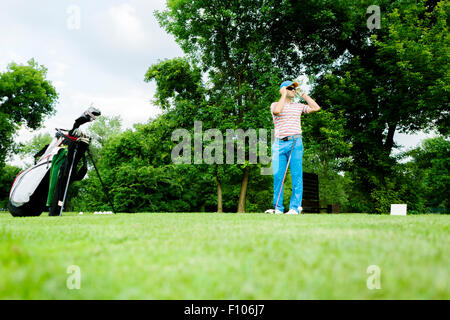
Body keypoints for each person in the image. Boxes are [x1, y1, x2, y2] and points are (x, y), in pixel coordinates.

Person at [265, 80, 321, 215]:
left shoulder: (298, 106)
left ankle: (294, 208)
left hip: (295, 142)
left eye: (294, 88)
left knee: (297, 176)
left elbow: (316, 108)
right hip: (279, 144)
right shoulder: (275, 105)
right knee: (278, 177)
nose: (293, 90)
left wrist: (303, 94)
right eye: (290, 88)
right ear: (283, 90)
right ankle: (278, 209)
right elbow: (278, 111)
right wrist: (283, 94)